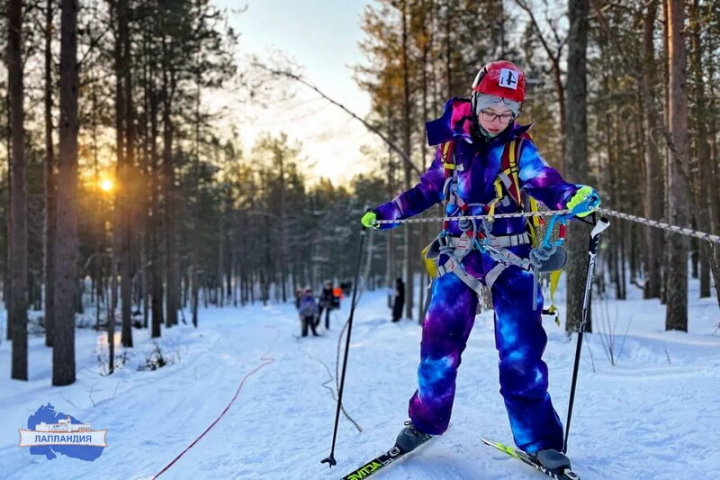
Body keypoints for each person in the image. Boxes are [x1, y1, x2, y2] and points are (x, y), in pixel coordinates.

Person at [360, 60, 600, 472]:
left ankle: (539, 441)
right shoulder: (451, 149)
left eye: (508, 112)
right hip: (459, 259)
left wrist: (571, 196)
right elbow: (427, 190)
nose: (497, 119)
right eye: (490, 109)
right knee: (437, 350)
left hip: (514, 259)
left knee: (522, 354)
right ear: (474, 102)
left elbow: (544, 181)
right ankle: (425, 422)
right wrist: (388, 212)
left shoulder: (518, 150)